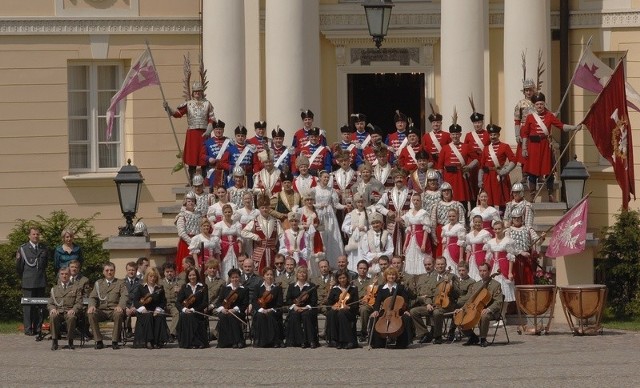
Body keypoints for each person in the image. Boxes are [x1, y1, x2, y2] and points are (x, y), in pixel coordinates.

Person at [522, 92, 583, 202]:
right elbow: (525, 134)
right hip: (533, 147)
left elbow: (562, 126)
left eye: (541, 104)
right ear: (534, 106)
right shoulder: (530, 117)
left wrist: (574, 127)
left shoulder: (549, 116)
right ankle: (532, 194)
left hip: (545, 146)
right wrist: (524, 148)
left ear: (544, 104)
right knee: (532, 172)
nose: (539, 106)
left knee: (549, 171)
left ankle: (550, 194)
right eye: (537, 104)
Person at [163, 81, 215, 182]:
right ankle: (192, 180)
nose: (197, 93)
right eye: (195, 91)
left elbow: (212, 118)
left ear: (202, 92)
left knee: (204, 158)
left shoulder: (207, 104)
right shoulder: (188, 104)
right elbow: (177, 113)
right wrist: (167, 108)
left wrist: (209, 130)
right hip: (192, 134)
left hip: (204, 134)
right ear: (193, 92)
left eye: (199, 91)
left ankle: (205, 180)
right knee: (192, 158)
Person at [456, 262, 503, 347]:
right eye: (480, 271)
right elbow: (470, 299)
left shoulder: (496, 285)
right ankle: (472, 337)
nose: (482, 273)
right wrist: (462, 308)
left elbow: (498, 301)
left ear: (489, 271)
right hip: (476, 309)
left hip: (492, 312)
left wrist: (489, 309)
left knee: (483, 316)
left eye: (484, 270)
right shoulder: (476, 285)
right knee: (459, 316)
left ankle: (483, 338)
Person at [15, 226, 49, 336]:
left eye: (37, 234)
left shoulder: (44, 248)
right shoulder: (23, 249)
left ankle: (38, 328)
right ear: (29, 236)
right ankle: (28, 329)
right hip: (28, 281)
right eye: (33, 234)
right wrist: (25, 277)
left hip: (40, 281)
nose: (36, 236)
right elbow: (19, 267)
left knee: (40, 306)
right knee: (28, 307)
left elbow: (45, 264)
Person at [370, 267, 413, 349]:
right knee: (373, 318)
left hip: (398, 312)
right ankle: (378, 342)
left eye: (393, 275)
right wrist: (375, 310)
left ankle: (402, 343)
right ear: (386, 276)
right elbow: (377, 301)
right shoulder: (381, 288)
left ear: (396, 276)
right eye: (389, 274)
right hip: (385, 312)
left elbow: (405, 301)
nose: (391, 276)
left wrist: (406, 310)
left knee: (406, 317)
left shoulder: (400, 287)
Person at [437, 119, 476, 210]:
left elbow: (476, 159)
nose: (455, 136)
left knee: (463, 198)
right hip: (449, 176)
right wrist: (441, 180)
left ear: (460, 135)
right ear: (450, 135)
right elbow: (440, 166)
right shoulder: (445, 148)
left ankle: (464, 216)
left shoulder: (466, 146)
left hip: (461, 176)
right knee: (449, 197)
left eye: (457, 134)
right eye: (453, 134)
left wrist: (469, 167)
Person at [87, 262, 127, 350]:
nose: (109, 272)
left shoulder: (120, 283)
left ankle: (115, 341)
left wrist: (120, 306)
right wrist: (92, 306)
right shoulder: (98, 283)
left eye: (111, 270)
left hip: (114, 310)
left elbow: (124, 296)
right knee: (91, 314)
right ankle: (98, 341)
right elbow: (92, 297)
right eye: (107, 270)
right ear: (103, 272)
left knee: (118, 314)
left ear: (114, 271)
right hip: (101, 310)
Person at [242, 194, 284, 272]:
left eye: (266, 207)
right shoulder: (254, 221)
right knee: (259, 273)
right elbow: (243, 232)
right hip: (259, 252)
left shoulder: (276, 221)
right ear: (259, 208)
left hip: (272, 252)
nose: (265, 209)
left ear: (269, 207)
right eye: (262, 208)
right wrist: (255, 236)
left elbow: (282, 236)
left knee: (273, 272)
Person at [479, 123, 516, 209]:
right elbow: (482, 166)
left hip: (499, 175)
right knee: (489, 199)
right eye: (491, 135)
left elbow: (513, 160)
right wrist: (480, 180)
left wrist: (505, 171)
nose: (493, 137)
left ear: (498, 135)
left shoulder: (505, 146)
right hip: (488, 177)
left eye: (495, 134)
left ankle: (503, 216)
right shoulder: (486, 148)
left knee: (502, 198)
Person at [375, 169, 412, 257]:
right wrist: (387, 212)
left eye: (401, 177)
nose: (399, 179)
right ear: (394, 179)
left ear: (404, 179)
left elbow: (413, 209)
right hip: (392, 221)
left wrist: (403, 217)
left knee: (407, 241)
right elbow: (378, 205)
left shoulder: (411, 192)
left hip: (405, 222)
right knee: (391, 242)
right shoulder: (388, 193)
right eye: (397, 178)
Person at [314, 170, 346, 267]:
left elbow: (336, 204)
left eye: (328, 177)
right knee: (320, 236)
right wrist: (319, 205)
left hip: (329, 216)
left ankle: (332, 262)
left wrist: (344, 207)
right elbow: (310, 203)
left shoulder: (331, 190)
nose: (326, 179)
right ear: (320, 178)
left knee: (331, 236)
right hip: (319, 214)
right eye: (324, 177)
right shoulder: (314, 189)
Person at [132, 268, 169, 349]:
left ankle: (157, 341)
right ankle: (149, 340)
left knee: (159, 317)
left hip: (155, 310)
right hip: (144, 311)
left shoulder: (160, 288)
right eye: (151, 276)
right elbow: (136, 301)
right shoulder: (141, 287)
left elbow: (163, 301)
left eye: (154, 277)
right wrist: (142, 308)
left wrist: (158, 309)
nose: (152, 278)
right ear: (147, 276)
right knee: (148, 316)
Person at [506, 208, 544, 286]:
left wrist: (542, 238)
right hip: (514, 260)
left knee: (528, 280)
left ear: (522, 218)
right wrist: (521, 252)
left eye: (518, 217)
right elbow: (508, 246)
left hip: (527, 259)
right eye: (515, 218)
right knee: (515, 281)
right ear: (512, 219)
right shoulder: (508, 231)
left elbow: (538, 242)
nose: (517, 219)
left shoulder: (528, 229)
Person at [47, 267, 83, 350]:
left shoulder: (76, 288)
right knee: (53, 316)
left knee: (71, 318)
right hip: (58, 311)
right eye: (62, 274)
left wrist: (74, 309)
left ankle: (70, 341)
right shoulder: (54, 289)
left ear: (69, 275)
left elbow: (79, 303)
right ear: (59, 276)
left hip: (69, 311)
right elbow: (50, 303)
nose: (64, 276)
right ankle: (54, 341)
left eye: (66, 274)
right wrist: (52, 309)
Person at [214, 268, 249, 348]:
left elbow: (245, 304)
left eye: (236, 277)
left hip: (238, 312)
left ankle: (238, 341)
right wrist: (222, 309)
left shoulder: (244, 289)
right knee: (223, 316)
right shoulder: (225, 288)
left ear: (240, 277)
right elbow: (219, 302)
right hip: (225, 311)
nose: (235, 279)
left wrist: (234, 309)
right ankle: (225, 342)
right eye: (232, 278)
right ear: (230, 278)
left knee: (232, 315)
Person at [285, 267, 319, 348]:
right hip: (296, 308)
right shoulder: (292, 286)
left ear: (307, 274)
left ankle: (311, 340)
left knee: (306, 315)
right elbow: (288, 300)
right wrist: (294, 306)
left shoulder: (312, 286)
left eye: (304, 272)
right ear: (296, 274)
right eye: (300, 272)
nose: (302, 274)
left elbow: (314, 301)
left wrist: (305, 307)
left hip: (308, 308)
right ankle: (300, 341)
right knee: (294, 315)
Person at [176, 267, 209, 349]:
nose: (192, 277)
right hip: (186, 312)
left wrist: (194, 309)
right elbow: (178, 302)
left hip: (198, 311)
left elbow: (205, 302)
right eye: (190, 275)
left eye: (194, 275)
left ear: (197, 275)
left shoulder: (203, 286)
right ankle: (190, 342)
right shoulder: (185, 287)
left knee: (191, 317)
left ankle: (195, 342)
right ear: (187, 277)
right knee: (185, 316)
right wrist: (184, 309)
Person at [251, 266, 285, 348]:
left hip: (273, 310)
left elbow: (279, 303)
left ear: (274, 276)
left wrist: (271, 309)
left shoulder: (277, 288)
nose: (269, 276)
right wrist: (261, 309)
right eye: (267, 274)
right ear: (263, 276)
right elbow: (254, 301)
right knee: (260, 316)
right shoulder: (257, 287)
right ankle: (261, 341)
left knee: (270, 315)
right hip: (260, 310)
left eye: (271, 275)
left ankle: (274, 341)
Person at [326, 270, 360, 349]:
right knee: (331, 313)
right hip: (338, 310)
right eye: (340, 278)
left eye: (344, 278)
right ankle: (334, 340)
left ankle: (347, 340)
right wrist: (332, 307)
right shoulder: (334, 289)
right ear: (337, 279)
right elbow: (329, 303)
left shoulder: (353, 289)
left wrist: (348, 307)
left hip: (350, 312)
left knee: (341, 313)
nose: (342, 280)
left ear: (347, 278)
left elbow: (356, 305)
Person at [485, 220, 516, 307]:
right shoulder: (490, 242)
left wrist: (510, 272)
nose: (497, 231)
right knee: (493, 289)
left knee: (504, 290)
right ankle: (496, 313)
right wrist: (486, 271)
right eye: (495, 229)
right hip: (493, 268)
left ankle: (503, 314)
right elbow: (488, 258)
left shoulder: (508, 241)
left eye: (499, 229)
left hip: (503, 267)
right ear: (493, 230)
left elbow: (511, 257)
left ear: (503, 229)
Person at [402, 193, 434, 275]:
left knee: (420, 256)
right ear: (412, 201)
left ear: (420, 201)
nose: (416, 202)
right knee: (410, 256)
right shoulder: (409, 213)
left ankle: (422, 275)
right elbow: (408, 230)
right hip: (411, 239)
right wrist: (405, 244)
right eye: (414, 200)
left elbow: (426, 229)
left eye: (417, 200)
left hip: (420, 238)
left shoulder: (423, 213)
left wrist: (423, 244)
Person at [432, 182, 466, 257]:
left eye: (448, 190)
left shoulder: (457, 204)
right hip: (440, 232)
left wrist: (461, 236)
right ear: (441, 192)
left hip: (455, 233)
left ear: (451, 192)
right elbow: (433, 222)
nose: (446, 192)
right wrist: (434, 236)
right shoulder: (436, 205)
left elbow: (462, 221)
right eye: (444, 191)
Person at [342, 193, 371, 271]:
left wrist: (365, 228)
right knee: (353, 256)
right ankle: (353, 270)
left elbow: (371, 226)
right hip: (354, 239)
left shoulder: (368, 213)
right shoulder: (351, 214)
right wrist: (352, 227)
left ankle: (364, 270)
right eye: (358, 202)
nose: (360, 204)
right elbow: (344, 227)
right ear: (355, 203)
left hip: (364, 238)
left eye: (362, 202)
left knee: (363, 254)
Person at [212, 204, 243, 279]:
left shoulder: (237, 224)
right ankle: (225, 281)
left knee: (235, 264)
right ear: (223, 213)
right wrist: (219, 247)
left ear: (232, 213)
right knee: (225, 265)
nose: (227, 214)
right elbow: (215, 237)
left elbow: (239, 236)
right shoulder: (219, 225)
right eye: (225, 212)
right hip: (224, 248)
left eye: (229, 212)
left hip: (234, 248)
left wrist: (240, 247)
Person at [175, 192, 201, 274]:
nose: (191, 203)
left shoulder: (198, 215)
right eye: (189, 201)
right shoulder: (181, 215)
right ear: (185, 202)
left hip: (197, 242)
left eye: (193, 201)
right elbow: (181, 232)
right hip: (186, 243)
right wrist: (191, 242)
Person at [204, 119, 231, 189]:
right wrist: (208, 158)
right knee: (214, 190)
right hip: (213, 170)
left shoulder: (229, 142)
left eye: (220, 129)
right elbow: (202, 155)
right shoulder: (208, 142)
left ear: (223, 130)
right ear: (213, 130)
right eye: (217, 129)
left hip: (226, 171)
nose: (218, 131)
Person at [160, 262, 183, 342]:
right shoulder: (160, 282)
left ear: (174, 272)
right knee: (159, 314)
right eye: (167, 272)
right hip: (163, 304)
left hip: (174, 305)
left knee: (177, 313)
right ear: (164, 273)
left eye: (171, 271)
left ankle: (171, 334)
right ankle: (163, 334)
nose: (169, 273)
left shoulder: (180, 282)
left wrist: (180, 291)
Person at [465, 215, 492, 281]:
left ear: (482, 222)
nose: (477, 224)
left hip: (481, 257)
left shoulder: (485, 233)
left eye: (479, 222)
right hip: (472, 259)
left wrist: (487, 261)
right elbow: (468, 249)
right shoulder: (469, 235)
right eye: (476, 222)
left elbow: (489, 249)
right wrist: (467, 260)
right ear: (473, 222)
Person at [441, 209, 467, 277]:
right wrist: (442, 253)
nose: (451, 218)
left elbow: (461, 243)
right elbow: (444, 242)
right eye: (450, 216)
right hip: (446, 251)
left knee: (453, 266)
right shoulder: (445, 227)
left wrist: (461, 257)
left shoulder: (459, 227)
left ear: (457, 216)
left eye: (453, 216)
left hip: (455, 250)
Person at [355, 260, 376, 342]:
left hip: (368, 305)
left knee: (364, 309)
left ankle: (364, 333)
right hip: (356, 305)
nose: (362, 270)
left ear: (367, 270)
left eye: (364, 268)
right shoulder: (352, 282)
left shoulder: (372, 281)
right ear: (357, 269)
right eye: (360, 268)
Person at [236, 191, 260, 256]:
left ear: (252, 199)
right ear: (243, 200)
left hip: (253, 235)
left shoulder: (257, 212)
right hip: (243, 236)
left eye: (249, 198)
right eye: (245, 199)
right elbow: (235, 224)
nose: (247, 200)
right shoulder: (239, 211)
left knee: (252, 253)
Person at [123, 261, 140, 338]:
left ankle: (138, 331)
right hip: (125, 305)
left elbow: (141, 297)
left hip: (137, 305)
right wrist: (126, 307)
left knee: (142, 313)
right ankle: (128, 330)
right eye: (129, 270)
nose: (131, 272)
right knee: (123, 313)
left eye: (133, 270)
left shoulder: (141, 282)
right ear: (126, 271)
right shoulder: (122, 282)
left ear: (136, 271)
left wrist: (135, 306)